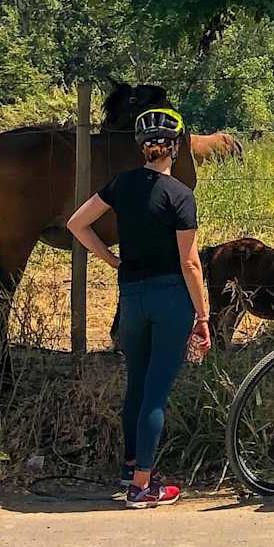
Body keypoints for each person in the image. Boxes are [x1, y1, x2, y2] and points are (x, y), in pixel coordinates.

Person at [68, 106, 210, 508]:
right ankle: (142, 487)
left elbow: (77, 224)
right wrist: (203, 315)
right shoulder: (181, 196)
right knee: (156, 393)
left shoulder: (120, 184)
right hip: (170, 299)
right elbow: (190, 263)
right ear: (175, 147)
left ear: (142, 148)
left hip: (130, 296)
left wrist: (110, 259)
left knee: (136, 384)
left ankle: (131, 466)